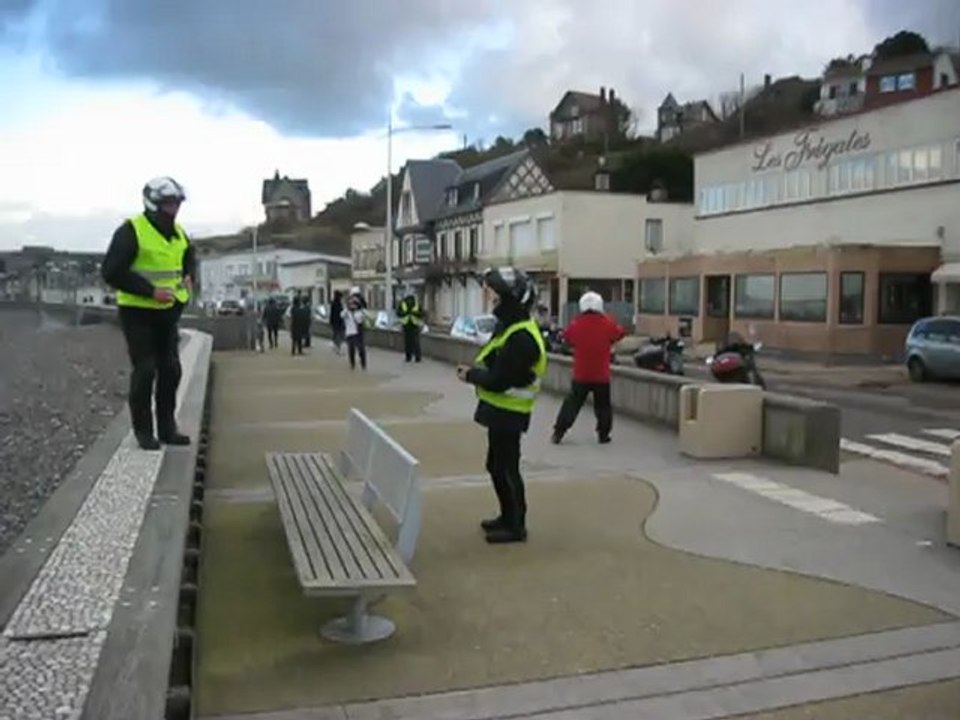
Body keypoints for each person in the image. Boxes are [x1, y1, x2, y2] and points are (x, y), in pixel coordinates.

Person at [101, 176, 194, 451]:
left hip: (167, 312)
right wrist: (149, 291)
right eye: (168, 204)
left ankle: (168, 428)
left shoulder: (179, 233)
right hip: (137, 311)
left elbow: (187, 257)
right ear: (153, 203)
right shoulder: (131, 231)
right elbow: (112, 272)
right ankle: (143, 431)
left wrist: (189, 275)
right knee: (145, 370)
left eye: (177, 203)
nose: (174, 209)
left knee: (171, 370)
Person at [456, 267, 546, 544]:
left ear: (512, 300)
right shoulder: (509, 327)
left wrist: (470, 376)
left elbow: (501, 379)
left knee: (506, 468)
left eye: (497, 294)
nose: (492, 299)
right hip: (500, 411)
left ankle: (516, 525)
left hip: (510, 412)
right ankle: (507, 516)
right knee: (497, 466)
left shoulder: (521, 336)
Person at [551, 291, 625, 445]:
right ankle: (603, 434)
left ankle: (559, 431)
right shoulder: (607, 323)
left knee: (572, 404)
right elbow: (619, 333)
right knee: (603, 406)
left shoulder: (576, 323)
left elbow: (567, 338)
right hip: (601, 375)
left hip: (581, 374)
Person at [343, 289, 368, 370]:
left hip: (358, 332)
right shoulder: (347, 312)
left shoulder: (360, 312)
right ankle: (352, 363)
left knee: (360, 348)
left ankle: (363, 363)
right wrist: (348, 308)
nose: (352, 305)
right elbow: (342, 315)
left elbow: (364, 316)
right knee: (351, 349)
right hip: (350, 333)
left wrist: (359, 309)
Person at [397, 290, 423, 362]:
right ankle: (415, 357)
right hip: (410, 324)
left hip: (411, 324)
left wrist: (413, 313)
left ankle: (410, 357)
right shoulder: (414, 304)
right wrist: (406, 313)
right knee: (414, 342)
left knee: (410, 342)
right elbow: (421, 314)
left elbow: (398, 313)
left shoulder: (404, 304)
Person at [329, 290, 346, 354]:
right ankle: (338, 347)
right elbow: (341, 313)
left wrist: (331, 321)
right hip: (339, 322)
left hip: (335, 322)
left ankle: (336, 346)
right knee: (340, 335)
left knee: (336, 334)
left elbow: (332, 314)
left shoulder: (333, 304)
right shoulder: (339, 304)